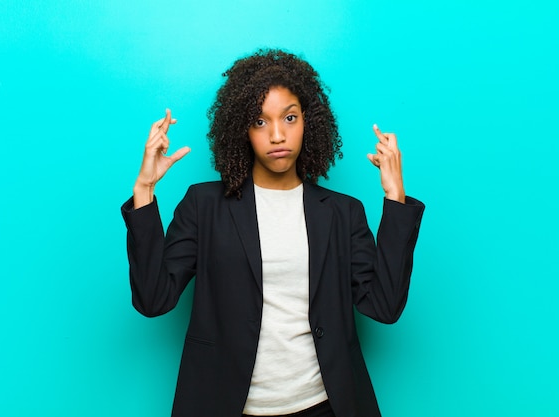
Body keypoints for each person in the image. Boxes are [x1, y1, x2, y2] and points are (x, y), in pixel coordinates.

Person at [121, 49, 425, 417]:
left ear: (308, 123)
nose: (278, 135)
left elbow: (384, 306)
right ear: (241, 130)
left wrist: (395, 198)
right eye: (260, 122)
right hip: (226, 405)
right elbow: (153, 300)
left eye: (290, 118)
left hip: (323, 405)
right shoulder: (205, 205)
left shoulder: (343, 213)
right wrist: (144, 191)